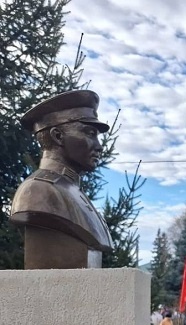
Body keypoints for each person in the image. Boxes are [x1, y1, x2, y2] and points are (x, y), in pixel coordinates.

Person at [10, 90, 112, 269]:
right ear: (58, 136)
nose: (99, 146)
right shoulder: (36, 191)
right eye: (89, 133)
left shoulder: (72, 191)